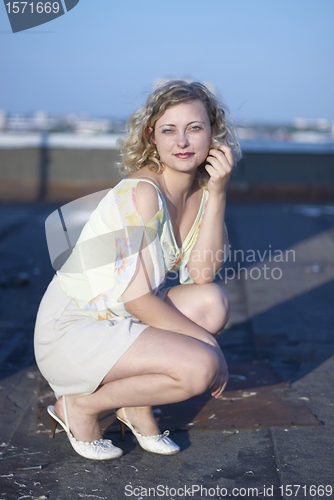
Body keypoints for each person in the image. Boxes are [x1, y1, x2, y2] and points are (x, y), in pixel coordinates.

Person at [34, 79, 241, 460]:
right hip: (76, 328)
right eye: (169, 130)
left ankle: (134, 404)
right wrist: (210, 346)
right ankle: (81, 405)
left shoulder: (200, 191)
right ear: (152, 137)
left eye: (194, 128)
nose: (182, 141)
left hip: (118, 319)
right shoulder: (143, 192)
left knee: (211, 302)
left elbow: (202, 273)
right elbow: (138, 299)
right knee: (201, 367)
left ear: (213, 132)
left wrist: (218, 191)